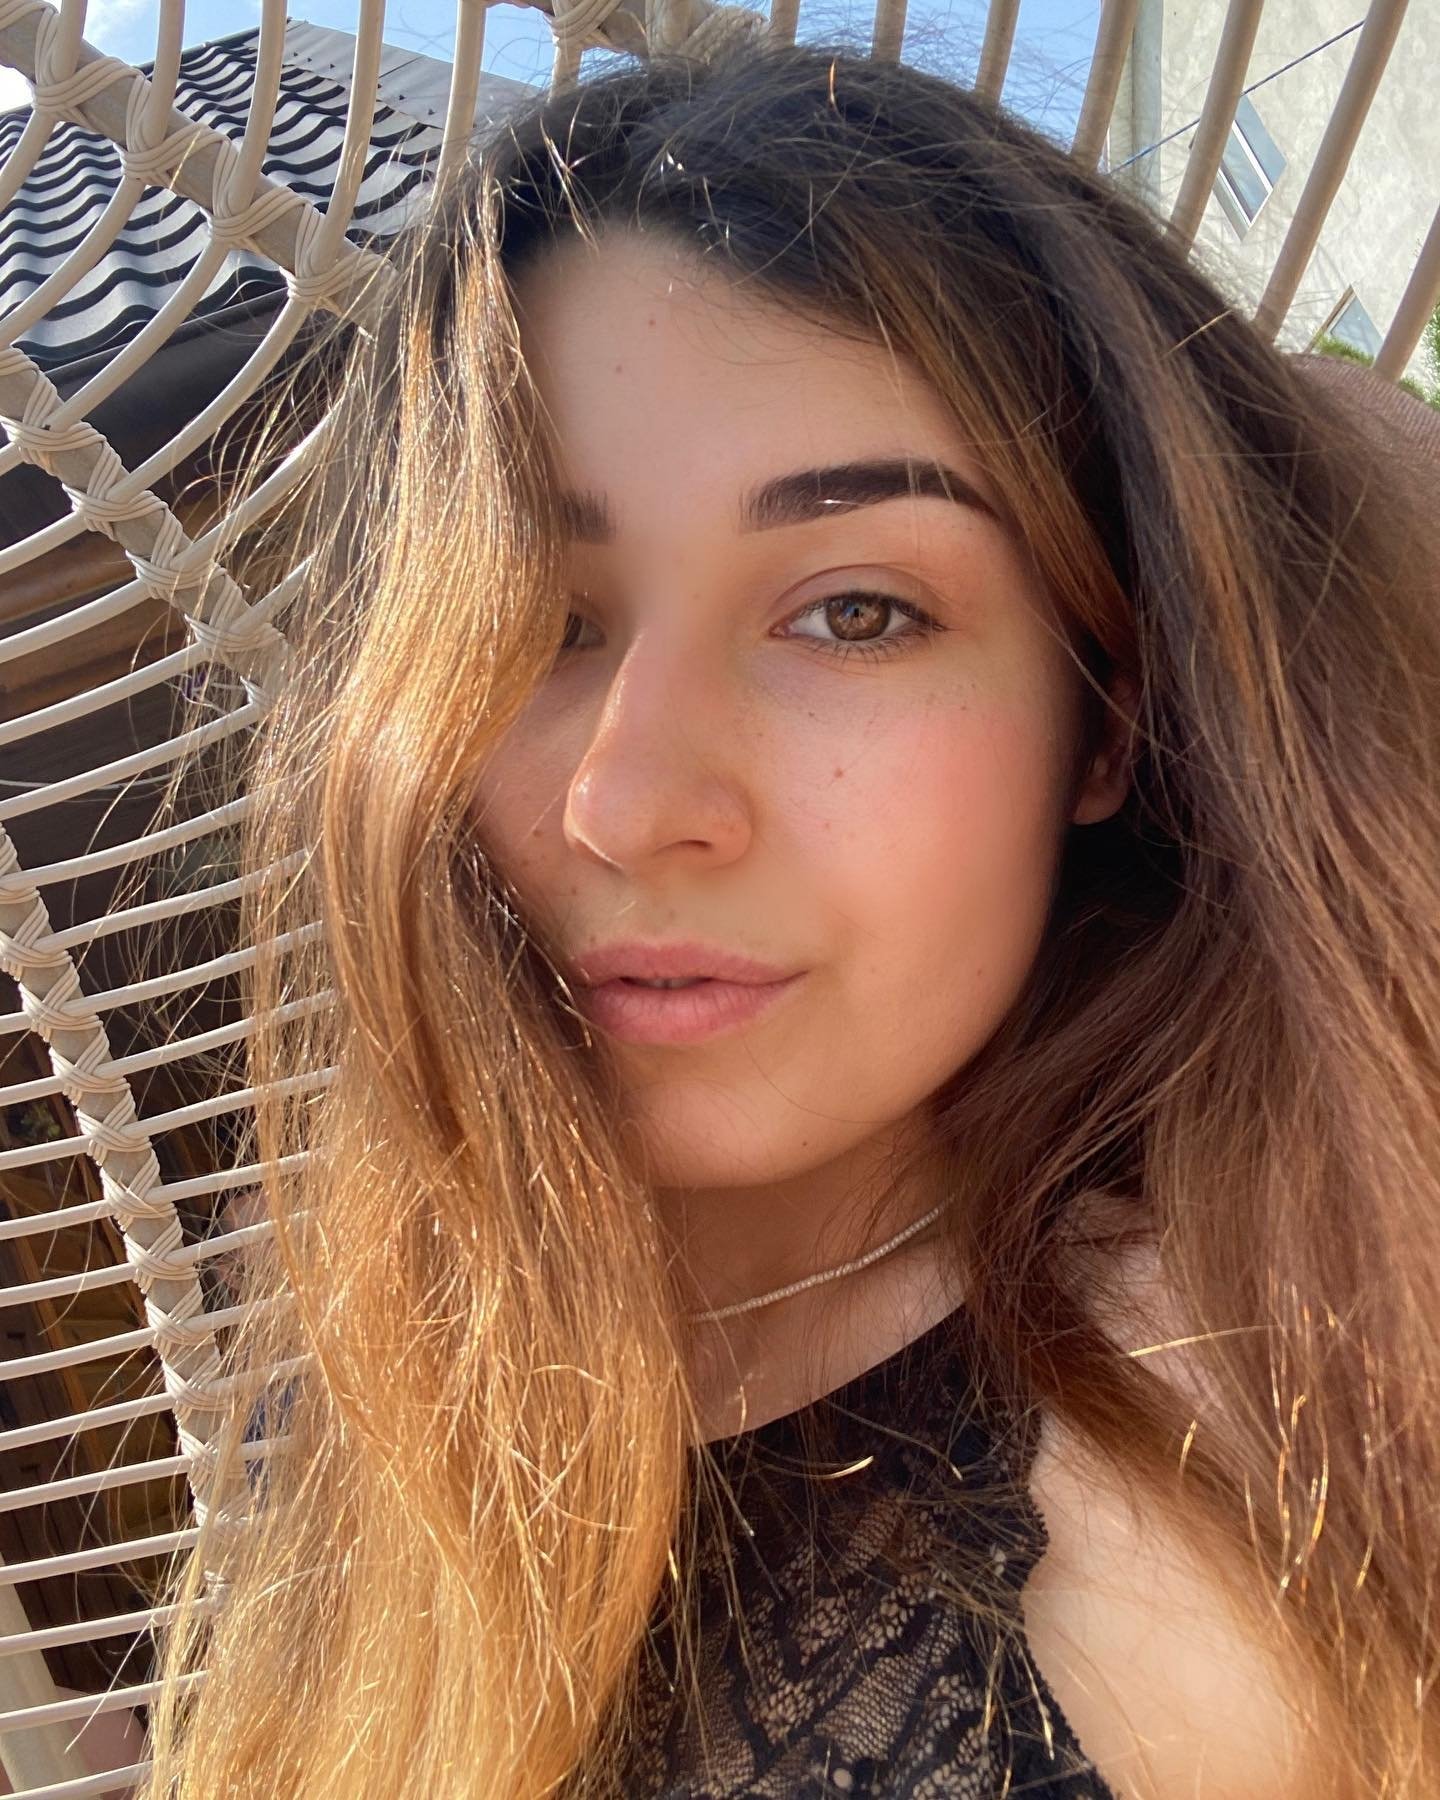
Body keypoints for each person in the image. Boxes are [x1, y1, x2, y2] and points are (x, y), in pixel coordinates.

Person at [135, 37, 1440, 1800]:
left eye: (856, 614)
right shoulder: (370, 1336)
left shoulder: (1194, 1521)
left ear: (1109, 721)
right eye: (537, 622)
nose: (626, 802)